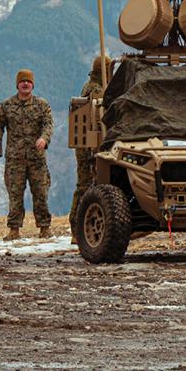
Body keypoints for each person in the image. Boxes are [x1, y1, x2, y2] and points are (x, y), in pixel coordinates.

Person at [0, 69, 53, 240]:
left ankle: (44, 228)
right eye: (22, 81)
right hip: (15, 159)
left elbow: (48, 125)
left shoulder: (42, 105)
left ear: (33, 85)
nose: (26, 84)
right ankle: (14, 229)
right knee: (15, 194)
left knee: (40, 193)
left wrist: (44, 139)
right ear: (17, 84)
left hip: (36, 159)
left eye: (29, 81)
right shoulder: (5, 106)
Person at [71, 56, 108, 243]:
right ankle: (77, 229)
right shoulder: (96, 90)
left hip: (87, 143)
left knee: (85, 186)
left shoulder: (92, 86)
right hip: (89, 145)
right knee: (85, 186)